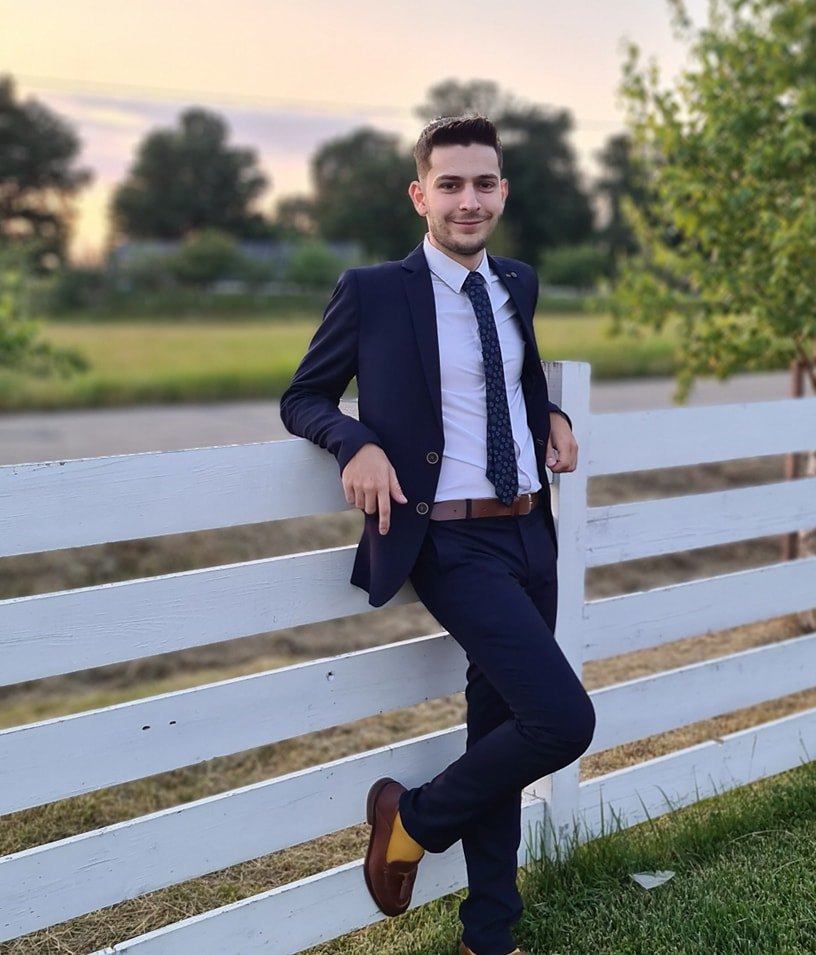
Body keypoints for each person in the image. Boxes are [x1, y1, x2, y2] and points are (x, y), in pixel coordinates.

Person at [280, 114, 595, 955]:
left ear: (503, 191)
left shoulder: (517, 282)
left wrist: (551, 413)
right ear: (420, 195)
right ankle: (411, 819)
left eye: (483, 183)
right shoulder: (374, 291)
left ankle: (488, 934)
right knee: (562, 720)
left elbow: (510, 381)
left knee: (502, 729)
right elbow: (303, 396)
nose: (468, 200)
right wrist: (354, 441)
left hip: (531, 530)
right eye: (449, 185)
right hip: (451, 544)